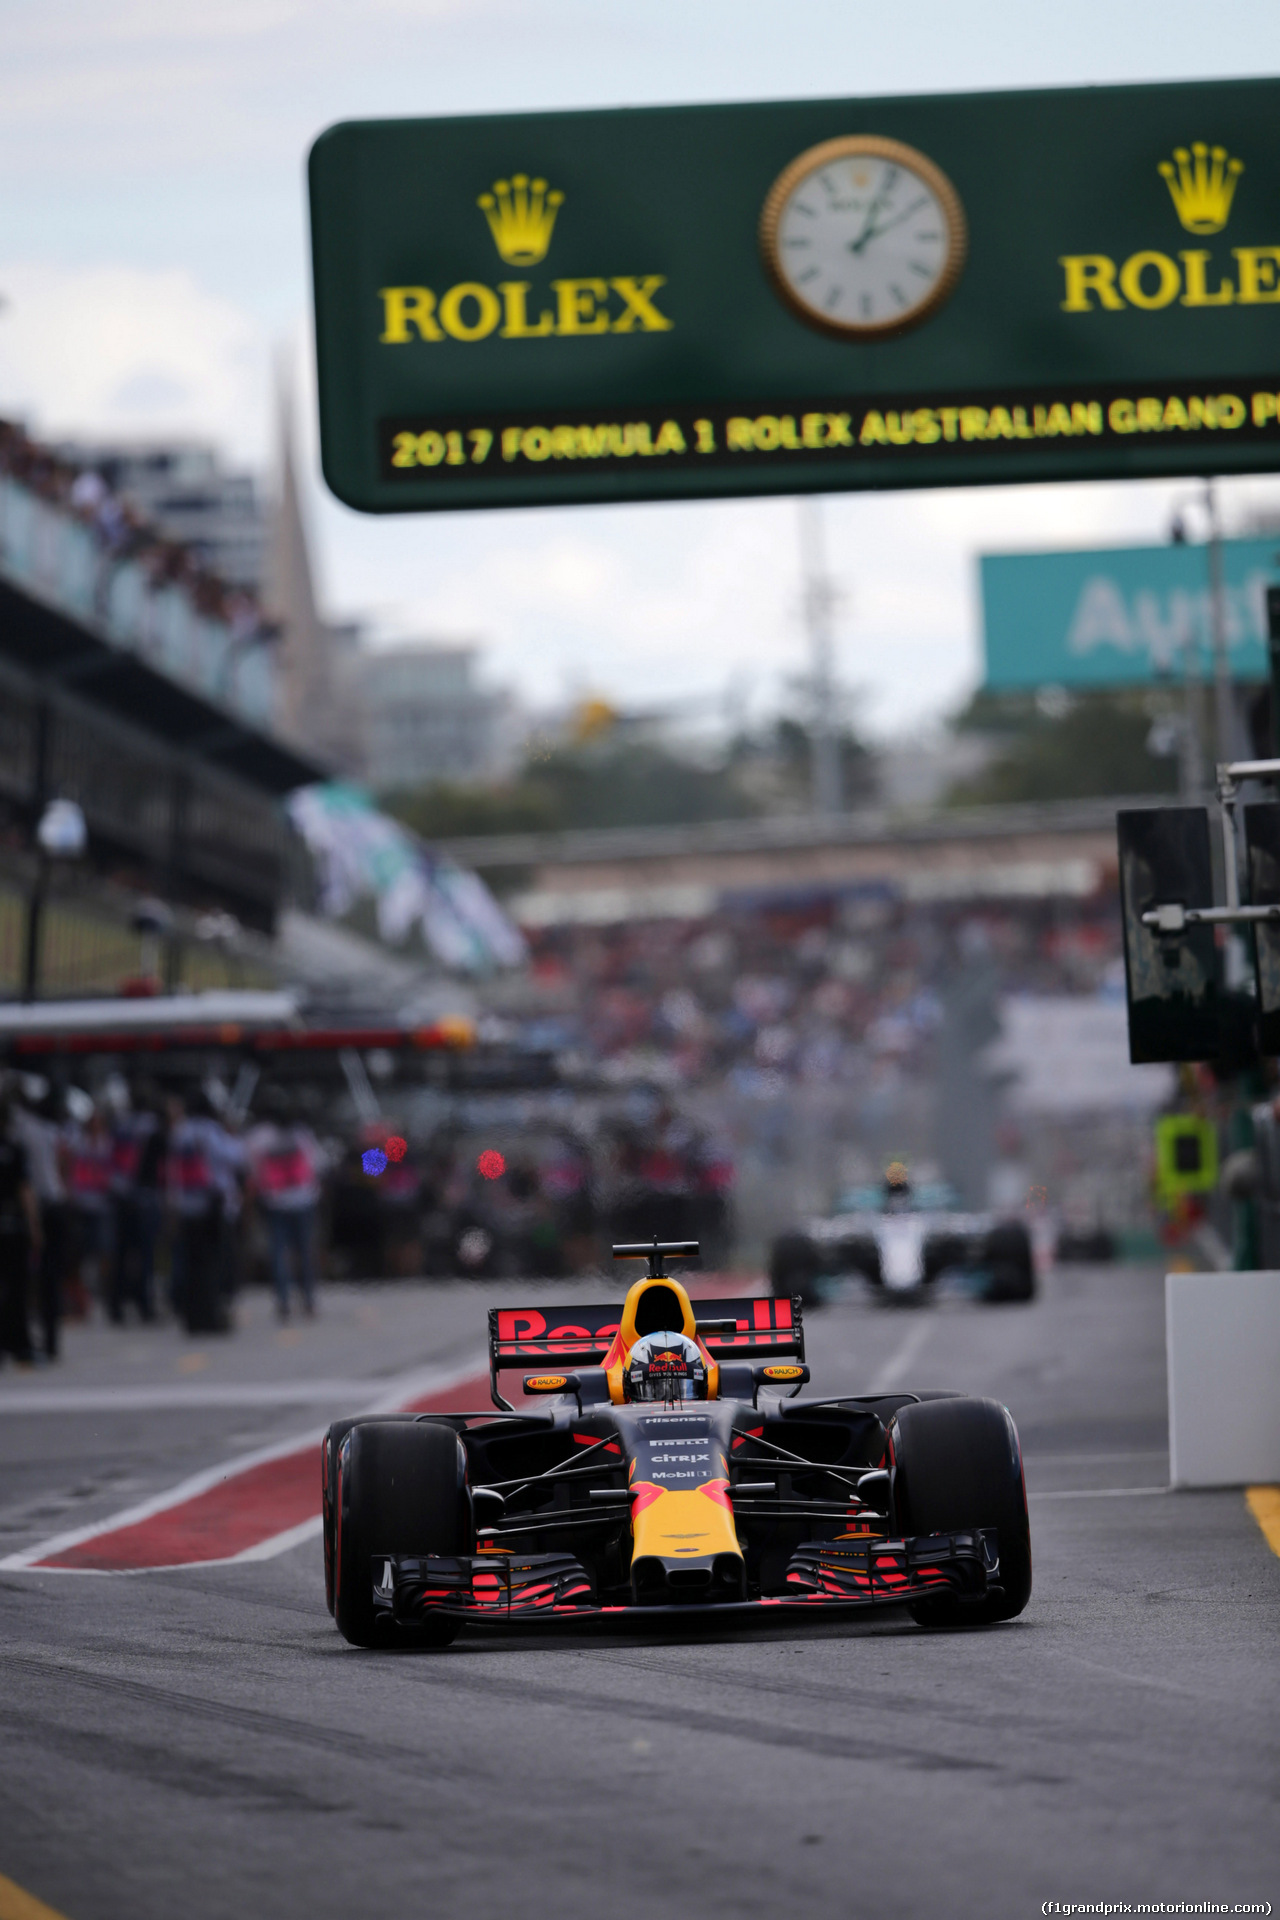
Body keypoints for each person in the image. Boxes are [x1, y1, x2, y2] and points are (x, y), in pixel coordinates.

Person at [247, 1097, 324, 1318]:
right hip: (303, 1199)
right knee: (305, 1252)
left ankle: (283, 1300)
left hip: (275, 1201)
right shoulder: (301, 1134)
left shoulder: (259, 1137)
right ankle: (308, 1300)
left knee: (278, 1253)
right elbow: (318, 1163)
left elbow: (251, 1168)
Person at [12, 1086, 68, 1361]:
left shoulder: (21, 1131)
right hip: (52, 1203)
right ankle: (49, 1342)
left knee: (35, 1279)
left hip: (39, 1208)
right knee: (48, 1279)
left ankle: (38, 1340)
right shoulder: (46, 1130)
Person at [0, 1087, 40, 1366]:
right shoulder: (14, 1149)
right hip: (13, 1225)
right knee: (17, 1288)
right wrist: (35, 1226)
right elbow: (25, 1190)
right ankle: (19, 1343)